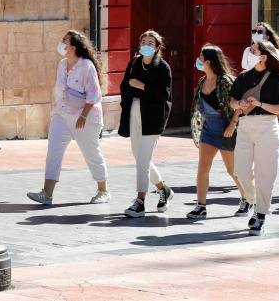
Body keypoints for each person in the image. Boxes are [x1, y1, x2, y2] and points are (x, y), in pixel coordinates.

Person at [27, 30, 109, 205]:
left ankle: (103, 190)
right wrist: (55, 111)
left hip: (85, 118)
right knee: (53, 152)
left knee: (91, 153)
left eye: (64, 41)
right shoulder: (62, 64)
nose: (61, 43)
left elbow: (94, 95)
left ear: (73, 47)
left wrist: (83, 117)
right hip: (61, 115)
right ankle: (46, 193)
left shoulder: (86, 66)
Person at [230, 40, 279, 235]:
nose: (248, 52)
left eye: (253, 50)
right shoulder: (243, 77)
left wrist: (259, 103)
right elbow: (232, 103)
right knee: (241, 170)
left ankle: (261, 213)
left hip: (267, 126)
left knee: (266, 174)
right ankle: (251, 199)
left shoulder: (274, 78)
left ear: (263, 56)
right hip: (245, 126)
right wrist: (240, 104)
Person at [187, 44, 249, 220]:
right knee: (203, 166)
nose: (198, 61)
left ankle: (247, 198)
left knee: (233, 170)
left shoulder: (226, 81)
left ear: (208, 61)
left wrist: (232, 125)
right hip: (208, 129)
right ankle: (201, 206)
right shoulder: (201, 82)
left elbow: (239, 104)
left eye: (200, 57)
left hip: (226, 128)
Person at [119, 30, 174, 218]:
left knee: (143, 159)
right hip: (134, 111)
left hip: (153, 116)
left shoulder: (163, 67)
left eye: (151, 43)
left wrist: (141, 86)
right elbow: (125, 85)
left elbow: (163, 94)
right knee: (138, 155)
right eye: (144, 41)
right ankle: (163, 189)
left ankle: (140, 201)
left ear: (157, 47)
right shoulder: (134, 62)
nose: (147, 45)